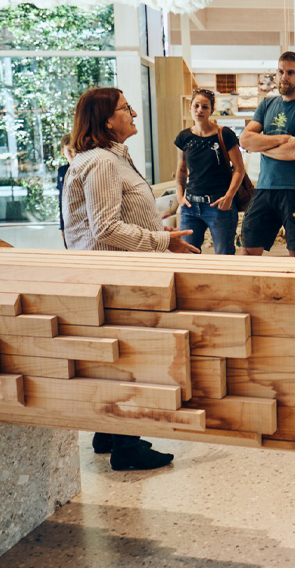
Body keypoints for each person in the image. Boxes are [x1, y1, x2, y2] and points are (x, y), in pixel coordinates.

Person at [63, 87, 199, 471]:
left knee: (115, 356)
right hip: (113, 277)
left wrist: (162, 235)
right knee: (128, 357)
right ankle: (127, 445)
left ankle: (108, 432)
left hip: (117, 274)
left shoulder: (109, 158)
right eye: (126, 108)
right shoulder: (102, 163)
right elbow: (105, 228)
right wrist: (160, 240)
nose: (135, 112)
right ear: (107, 120)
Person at [239, 51, 295, 257]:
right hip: (264, 188)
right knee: (248, 249)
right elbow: (245, 140)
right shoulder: (267, 104)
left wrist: (262, 146)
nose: (284, 77)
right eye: (281, 71)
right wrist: (282, 139)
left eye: (290, 72)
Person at [174, 89, 246, 255]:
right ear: (190, 108)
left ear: (211, 111)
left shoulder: (225, 134)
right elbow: (182, 169)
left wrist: (229, 197)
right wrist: (179, 196)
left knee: (224, 254)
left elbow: (239, 169)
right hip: (190, 206)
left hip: (219, 205)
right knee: (187, 254)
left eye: (204, 107)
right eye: (196, 106)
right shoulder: (184, 137)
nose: (200, 110)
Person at [57, 134, 75, 248]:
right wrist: (62, 226)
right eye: (69, 151)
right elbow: (61, 200)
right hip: (68, 221)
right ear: (63, 153)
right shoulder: (62, 171)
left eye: (76, 150)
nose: (74, 154)